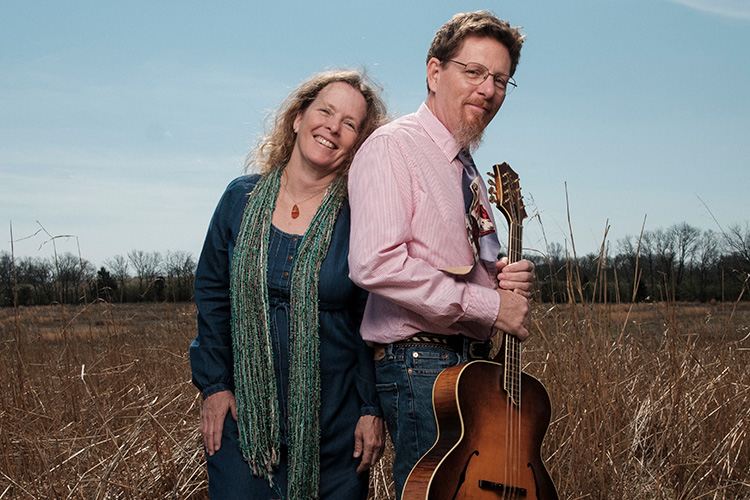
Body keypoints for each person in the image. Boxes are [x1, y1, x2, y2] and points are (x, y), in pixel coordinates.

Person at [347, 11, 536, 498]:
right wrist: (491, 306)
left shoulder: (467, 169)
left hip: (467, 363)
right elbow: (376, 263)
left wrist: (501, 282)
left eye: (500, 79)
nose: (488, 90)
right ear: (435, 73)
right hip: (419, 363)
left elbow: (461, 269)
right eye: (473, 72)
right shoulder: (394, 147)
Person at [190, 69, 388, 500]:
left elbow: (370, 321)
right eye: (326, 111)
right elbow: (211, 296)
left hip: (335, 433)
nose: (333, 127)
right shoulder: (239, 200)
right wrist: (215, 385)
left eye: (350, 124)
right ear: (298, 118)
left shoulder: (359, 217)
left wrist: (372, 410)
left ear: (358, 145)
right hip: (243, 428)